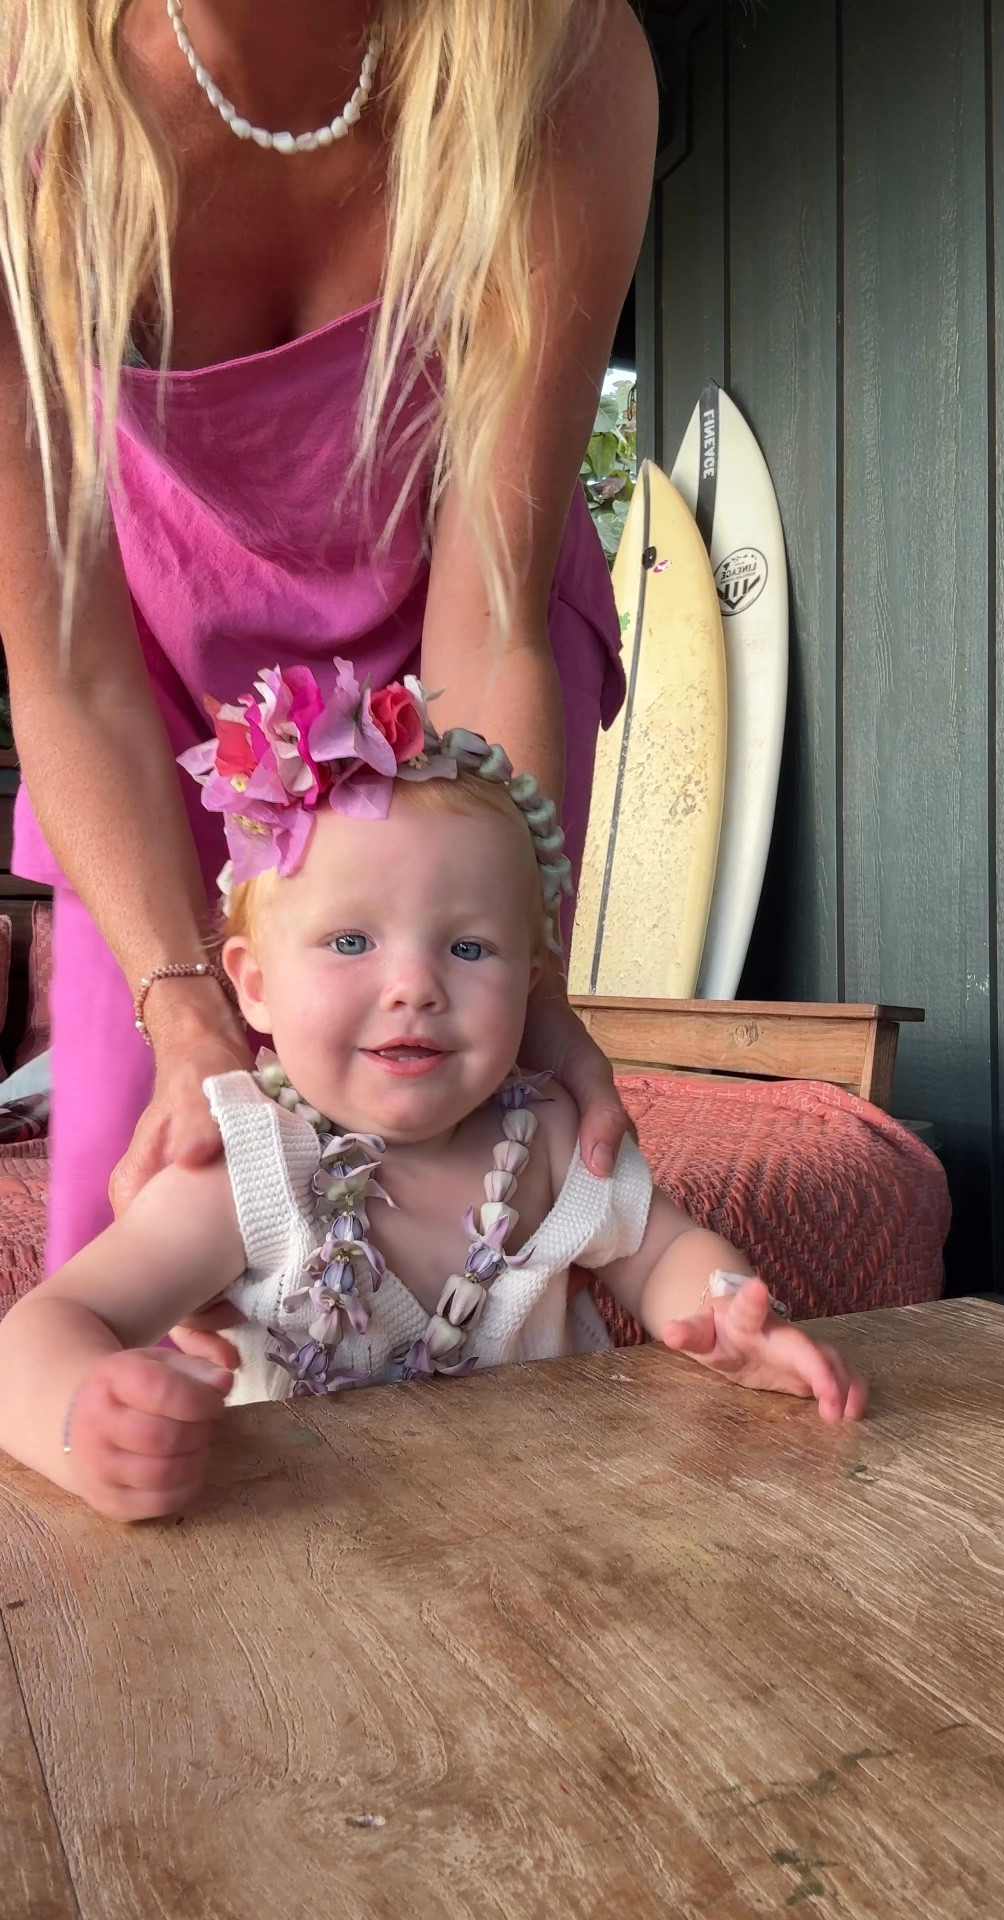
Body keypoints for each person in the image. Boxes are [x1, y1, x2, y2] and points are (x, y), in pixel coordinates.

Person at [0, 0, 657, 1274]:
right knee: (140, 1211)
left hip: (461, 663)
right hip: (146, 670)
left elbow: (492, 613)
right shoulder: (23, 87)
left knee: (467, 1192)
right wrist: (184, 1009)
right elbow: (68, 664)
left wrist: (523, 976)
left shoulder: (563, 52)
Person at [0, 676, 867, 1521]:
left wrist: (728, 1315)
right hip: (312, 1557)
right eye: (351, 941)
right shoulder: (250, 1170)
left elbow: (663, 1250)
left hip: (557, 1531)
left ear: (531, 985)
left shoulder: (551, 1141)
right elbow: (49, 1327)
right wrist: (82, 1422)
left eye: (470, 948)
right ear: (254, 986)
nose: (414, 985)